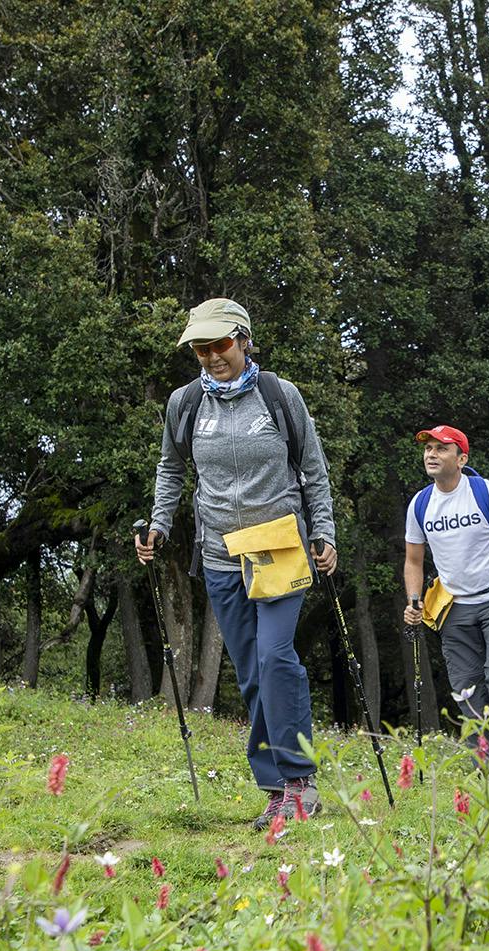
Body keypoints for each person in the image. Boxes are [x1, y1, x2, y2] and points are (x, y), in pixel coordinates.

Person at [136, 297, 337, 831]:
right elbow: (170, 468)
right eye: (200, 348)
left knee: (276, 659)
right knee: (250, 672)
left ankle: (301, 783)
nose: (210, 356)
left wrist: (324, 532)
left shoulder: (279, 395)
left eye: (219, 344)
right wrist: (158, 524)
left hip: (279, 546)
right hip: (220, 555)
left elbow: (313, 470)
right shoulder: (184, 405)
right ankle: (274, 789)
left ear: (244, 340)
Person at [402, 425, 489, 783]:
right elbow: (414, 561)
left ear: (461, 459)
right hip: (454, 606)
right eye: (428, 448)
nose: (431, 454)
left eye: (441, 449)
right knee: (468, 691)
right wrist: (413, 600)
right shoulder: (420, 504)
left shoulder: (485, 492)